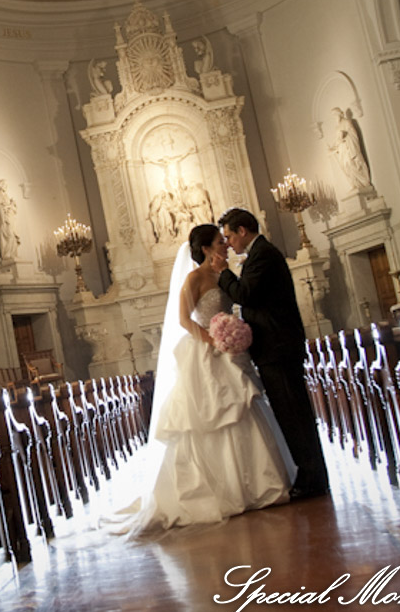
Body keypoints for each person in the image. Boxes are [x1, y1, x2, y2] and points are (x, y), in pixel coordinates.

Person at [103, 224, 294, 536]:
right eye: (220, 242)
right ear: (205, 248)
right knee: (208, 416)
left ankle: (258, 485)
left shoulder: (225, 274)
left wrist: (232, 334)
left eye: (226, 240)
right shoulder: (194, 278)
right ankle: (218, 491)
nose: (226, 246)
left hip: (230, 352)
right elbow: (182, 319)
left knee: (243, 409)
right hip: (206, 352)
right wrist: (212, 339)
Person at [216, 207, 329, 498]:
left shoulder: (263, 254)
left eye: (229, 236)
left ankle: (311, 480)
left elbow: (246, 294)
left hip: (278, 348)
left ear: (242, 231)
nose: (228, 243)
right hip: (276, 347)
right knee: (291, 414)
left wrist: (223, 273)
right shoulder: (259, 254)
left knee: (294, 415)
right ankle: (309, 475)